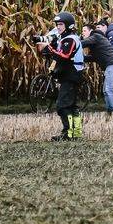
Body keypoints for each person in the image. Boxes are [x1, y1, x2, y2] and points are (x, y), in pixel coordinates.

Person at [36, 12, 85, 140]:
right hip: (71, 75)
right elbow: (59, 54)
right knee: (72, 106)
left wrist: (50, 49)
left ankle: (67, 133)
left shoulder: (70, 39)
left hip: (72, 75)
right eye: (57, 24)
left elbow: (64, 56)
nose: (58, 27)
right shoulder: (65, 38)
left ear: (68, 25)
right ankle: (76, 133)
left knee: (62, 105)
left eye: (61, 24)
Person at [82, 20, 113, 113]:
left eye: (84, 31)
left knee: (108, 89)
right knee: (106, 90)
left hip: (112, 64)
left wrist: (72, 43)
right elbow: (95, 57)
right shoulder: (96, 40)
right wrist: (83, 58)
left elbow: (82, 43)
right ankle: (110, 110)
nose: (82, 33)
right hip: (112, 64)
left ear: (90, 31)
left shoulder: (95, 36)